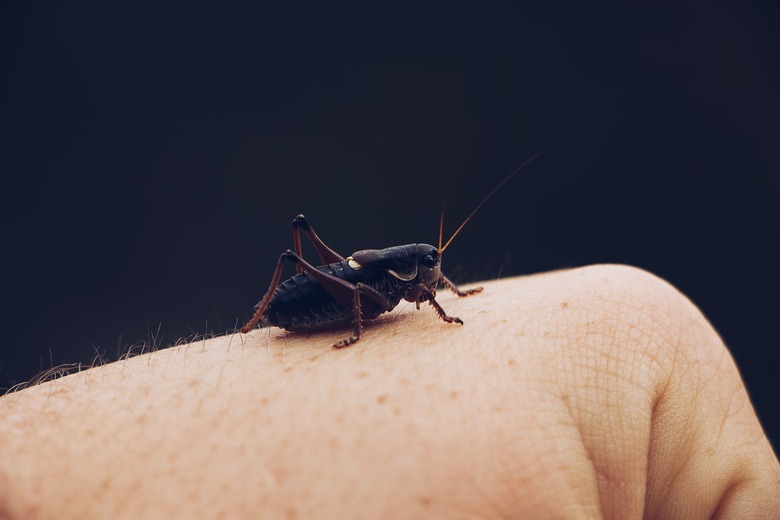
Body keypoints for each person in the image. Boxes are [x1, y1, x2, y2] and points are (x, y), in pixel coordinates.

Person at [0, 265, 777, 518]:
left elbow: (429, 290)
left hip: (342, 300)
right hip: (326, 304)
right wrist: (355, 331)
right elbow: (400, 294)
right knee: (309, 246)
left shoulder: (423, 280)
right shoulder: (385, 289)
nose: (434, 282)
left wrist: (450, 296)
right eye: (431, 274)